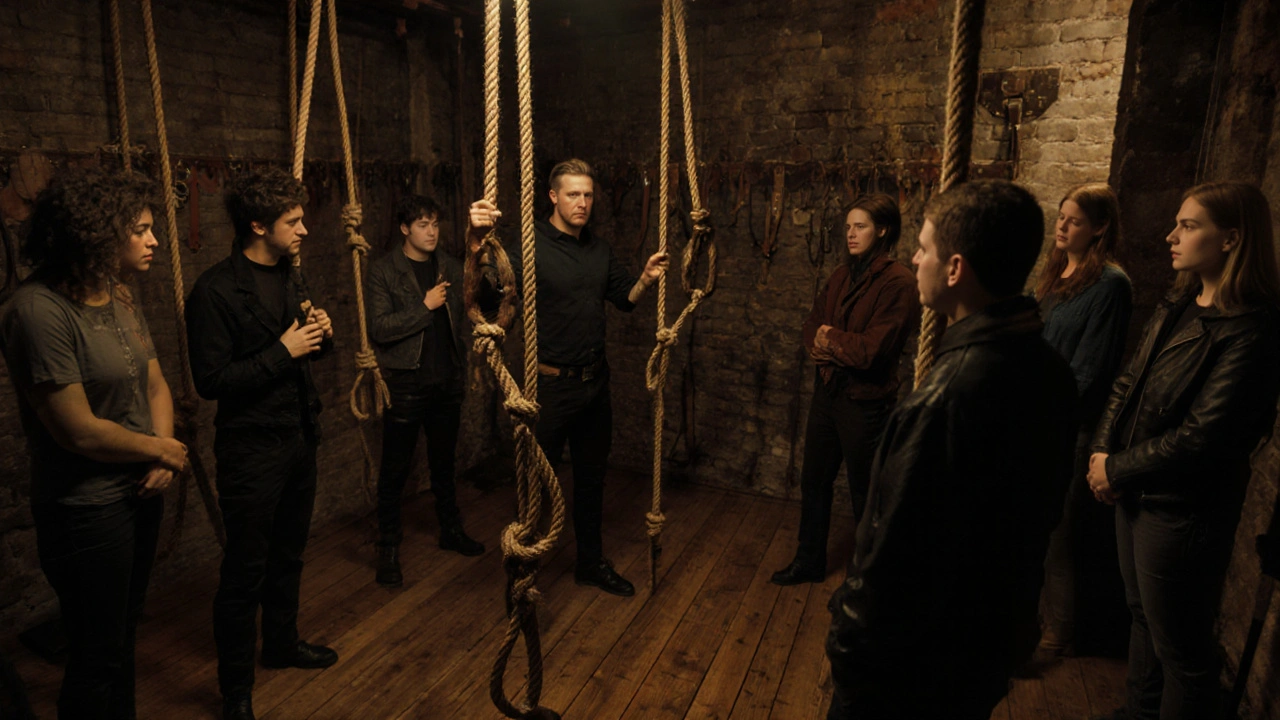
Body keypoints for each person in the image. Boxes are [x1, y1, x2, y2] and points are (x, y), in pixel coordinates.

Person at [825, 180, 1078, 720]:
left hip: (914, 666)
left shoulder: (944, 400)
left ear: (956, 268)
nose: (916, 260)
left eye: (924, 248)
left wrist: (847, 662)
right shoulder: (1051, 372)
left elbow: (884, 559)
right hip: (982, 649)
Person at [0, 168, 187, 720]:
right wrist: (159, 450)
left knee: (122, 639)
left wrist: (163, 448)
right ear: (95, 234)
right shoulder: (36, 311)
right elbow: (76, 429)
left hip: (140, 490)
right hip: (86, 508)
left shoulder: (120, 296)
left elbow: (154, 383)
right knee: (94, 653)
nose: (154, 241)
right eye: (141, 230)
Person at [1088, 182, 1280, 720]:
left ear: (1232, 239)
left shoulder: (1250, 329)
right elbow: (1128, 382)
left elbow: (1202, 437)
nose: (1172, 236)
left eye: (1189, 226)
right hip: (1136, 490)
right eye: (1177, 223)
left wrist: (1117, 468)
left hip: (1181, 508)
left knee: (1184, 653)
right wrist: (1103, 455)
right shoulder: (1181, 300)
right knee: (1143, 618)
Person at [467, 158, 669, 598]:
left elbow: (626, 298)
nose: (582, 203)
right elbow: (486, 295)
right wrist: (477, 242)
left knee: (592, 479)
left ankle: (590, 563)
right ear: (553, 197)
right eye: (573, 194)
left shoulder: (598, 250)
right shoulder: (529, 244)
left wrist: (647, 280)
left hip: (595, 385)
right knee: (536, 485)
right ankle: (523, 573)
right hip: (550, 387)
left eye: (588, 195)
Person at [185, 168, 336, 720]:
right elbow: (212, 382)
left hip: (298, 436)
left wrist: (320, 336)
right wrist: (285, 349)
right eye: (293, 222)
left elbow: (304, 352)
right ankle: (236, 691)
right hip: (250, 450)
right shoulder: (215, 291)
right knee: (245, 569)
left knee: (289, 555)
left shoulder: (292, 275)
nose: (303, 231)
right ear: (257, 225)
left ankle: (281, 643)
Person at [771, 193, 919, 586]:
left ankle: (870, 582)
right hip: (829, 394)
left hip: (866, 405)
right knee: (814, 481)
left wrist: (830, 339)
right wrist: (831, 343)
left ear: (883, 230)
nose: (851, 235)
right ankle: (809, 561)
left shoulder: (899, 283)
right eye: (848, 227)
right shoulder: (841, 274)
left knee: (866, 495)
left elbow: (870, 352)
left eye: (861, 227)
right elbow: (810, 326)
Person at [1032, 183, 1133, 662]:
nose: (1063, 225)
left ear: (1099, 227)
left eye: (1074, 220)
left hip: (1066, 426)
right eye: (1061, 216)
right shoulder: (1055, 275)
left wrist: (1045, 408)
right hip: (1035, 418)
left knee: (1058, 532)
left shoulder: (1110, 285)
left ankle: (1060, 631)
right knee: (1030, 524)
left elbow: (1090, 371)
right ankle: (1031, 618)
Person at [366, 194, 483, 588]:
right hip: (406, 382)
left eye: (435, 224)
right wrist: (425, 305)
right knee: (395, 470)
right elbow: (379, 329)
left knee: (444, 464)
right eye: (422, 225)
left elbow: (477, 293)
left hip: (446, 380)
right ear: (404, 228)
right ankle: (388, 548)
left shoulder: (448, 265)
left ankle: (450, 530)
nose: (431, 232)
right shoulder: (384, 271)